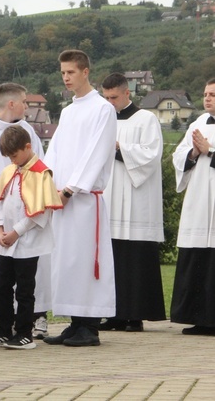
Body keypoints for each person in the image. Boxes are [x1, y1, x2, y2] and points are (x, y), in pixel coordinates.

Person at [43, 49, 117, 347]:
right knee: (67, 261)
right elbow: (55, 151)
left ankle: (90, 327)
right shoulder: (69, 110)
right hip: (61, 198)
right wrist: (46, 181)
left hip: (84, 200)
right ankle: (74, 323)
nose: (66, 78)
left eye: (71, 72)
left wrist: (71, 188)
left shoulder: (102, 109)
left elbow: (97, 153)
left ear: (85, 71)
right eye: (62, 73)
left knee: (87, 260)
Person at [0, 82, 51, 339]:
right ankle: (4, 327)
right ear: (10, 104)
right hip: (1, 217)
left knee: (28, 278)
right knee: (2, 278)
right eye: (24, 102)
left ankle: (31, 322)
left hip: (26, 219)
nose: (27, 106)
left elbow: (37, 169)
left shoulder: (28, 131)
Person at [0, 125, 62, 350]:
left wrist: (16, 232)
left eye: (14, 154)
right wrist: (0, 229)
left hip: (28, 242)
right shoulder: (9, 171)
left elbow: (40, 213)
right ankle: (2, 329)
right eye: (8, 156)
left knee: (25, 289)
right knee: (3, 286)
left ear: (28, 147)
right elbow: (0, 202)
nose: (12, 160)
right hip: (7, 242)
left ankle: (24, 332)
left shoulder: (41, 173)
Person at [100, 73, 166, 332]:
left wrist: (119, 149)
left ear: (127, 93)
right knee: (112, 256)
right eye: (106, 98)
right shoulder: (103, 121)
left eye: (113, 97)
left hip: (136, 198)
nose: (110, 102)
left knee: (135, 258)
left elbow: (151, 155)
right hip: (109, 194)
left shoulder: (146, 119)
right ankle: (113, 315)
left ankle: (135, 315)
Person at [171, 78, 215, 335]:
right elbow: (179, 155)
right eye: (205, 93)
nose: (207, 98)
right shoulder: (198, 124)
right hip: (199, 200)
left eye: (212, 94)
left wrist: (210, 150)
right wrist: (194, 153)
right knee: (198, 258)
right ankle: (199, 317)